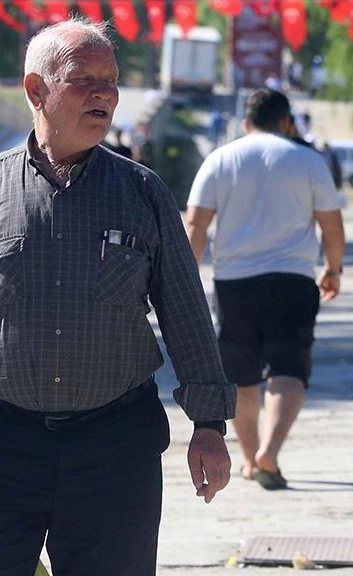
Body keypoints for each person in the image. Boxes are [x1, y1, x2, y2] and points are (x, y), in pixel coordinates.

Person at [0, 17, 236, 576]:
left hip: (113, 449)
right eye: (85, 79)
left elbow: (186, 314)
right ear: (36, 89)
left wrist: (209, 426)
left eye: (110, 80)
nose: (104, 94)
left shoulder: (142, 192)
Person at [185, 88, 345, 491]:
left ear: (245, 122)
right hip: (293, 280)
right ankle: (269, 453)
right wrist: (333, 269)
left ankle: (249, 457)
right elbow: (331, 224)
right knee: (289, 368)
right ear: (287, 122)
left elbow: (197, 223)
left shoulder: (220, 159)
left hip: (234, 282)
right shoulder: (308, 160)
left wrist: (185, 279)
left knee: (240, 374)